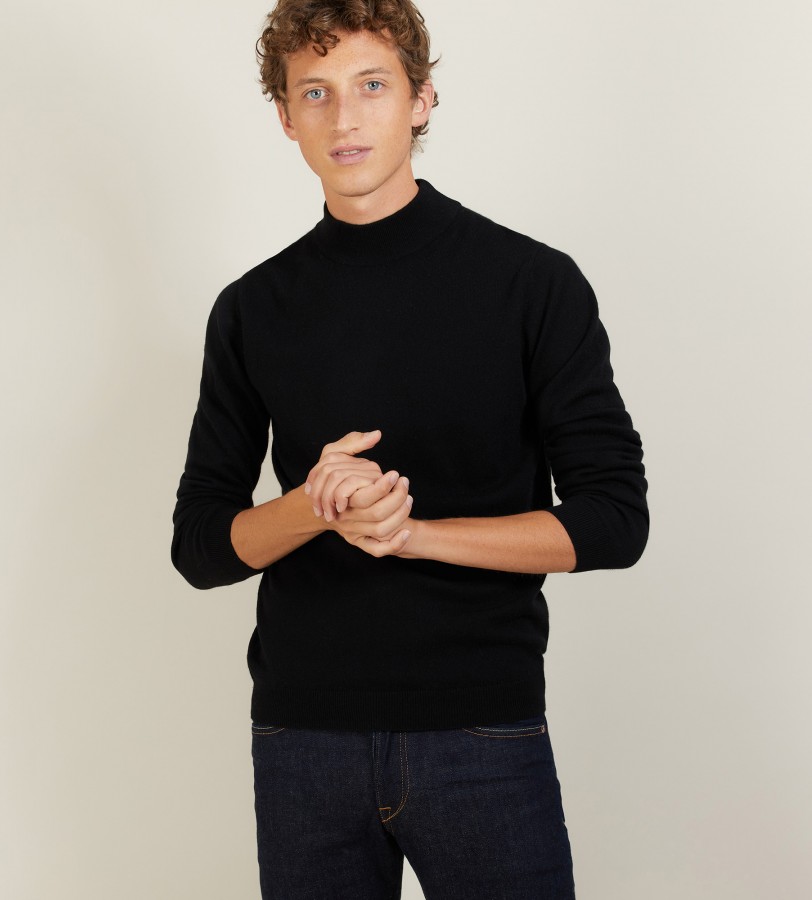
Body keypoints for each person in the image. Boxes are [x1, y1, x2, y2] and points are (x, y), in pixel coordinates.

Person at [171, 0, 648, 896]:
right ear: (286, 117)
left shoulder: (531, 283)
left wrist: (412, 535)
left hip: (481, 730)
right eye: (315, 92)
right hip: (303, 738)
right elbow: (200, 547)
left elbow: (614, 521)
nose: (343, 118)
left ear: (422, 100)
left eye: (372, 85)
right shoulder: (252, 309)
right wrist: (313, 506)